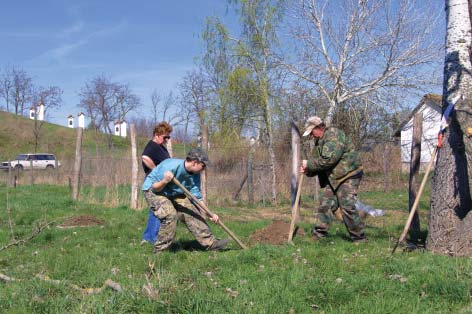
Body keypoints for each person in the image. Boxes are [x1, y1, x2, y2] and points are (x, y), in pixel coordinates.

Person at [142, 147, 229, 253]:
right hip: (155, 191)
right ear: (194, 162)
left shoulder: (195, 175)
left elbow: (196, 197)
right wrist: (165, 181)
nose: (204, 169)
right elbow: (155, 187)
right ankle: (160, 251)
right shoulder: (169, 166)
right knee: (170, 215)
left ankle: (210, 243)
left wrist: (209, 213)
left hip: (174, 192)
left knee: (192, 211)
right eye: (203, 166)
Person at [299, 116, 366, 243]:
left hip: (349, 174)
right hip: (335, 177)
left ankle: (359, 238)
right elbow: (316, 162)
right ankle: (318, 235)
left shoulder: (333, 136)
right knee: (326, 204)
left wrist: (309, 165)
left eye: (312, 132)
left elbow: (328, 160)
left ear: (319, 127)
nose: (311, 136)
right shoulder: (320, 141)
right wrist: (308, 170)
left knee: (347, 206)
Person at [141, 122, 173, 245]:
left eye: (168, 137)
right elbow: (145, 158)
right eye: (166, 137)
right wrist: (156, 170)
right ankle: (152, 238)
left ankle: (148, 238)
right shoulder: (152, 145)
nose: (167, 139)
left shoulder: (161, 147)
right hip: (153, 182)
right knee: (159, 209)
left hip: (160, 182)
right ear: (157, 135)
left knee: (156, 209)